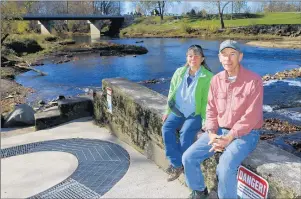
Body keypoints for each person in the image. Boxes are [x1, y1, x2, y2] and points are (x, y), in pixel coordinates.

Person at [182, 40, 263, 199]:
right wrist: (211, 133)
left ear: (240, 56)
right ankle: (199, 191)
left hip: (246, 134)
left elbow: (252, 116)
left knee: (225, 167)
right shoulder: (216, 80)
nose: (228, 59)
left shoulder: (254, 80)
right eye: (224, 55)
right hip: (219, 130)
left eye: (232, 54)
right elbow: (211, 109)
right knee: (188, 157)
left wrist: (229, 137)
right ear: (219, 58)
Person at [162, 45, 213, 182]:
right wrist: (167, 110)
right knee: (166, 128)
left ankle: (181, 164)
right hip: (178, 110)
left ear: (202, 59)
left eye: (197, 56)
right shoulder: (179, 72)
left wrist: (204, 121)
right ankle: (177, 164)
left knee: (185, 133)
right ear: (187, 58)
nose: (193, 59)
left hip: (194, 113)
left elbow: (206, 102)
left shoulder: (208, 77)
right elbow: (171, 92)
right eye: (190, 56)